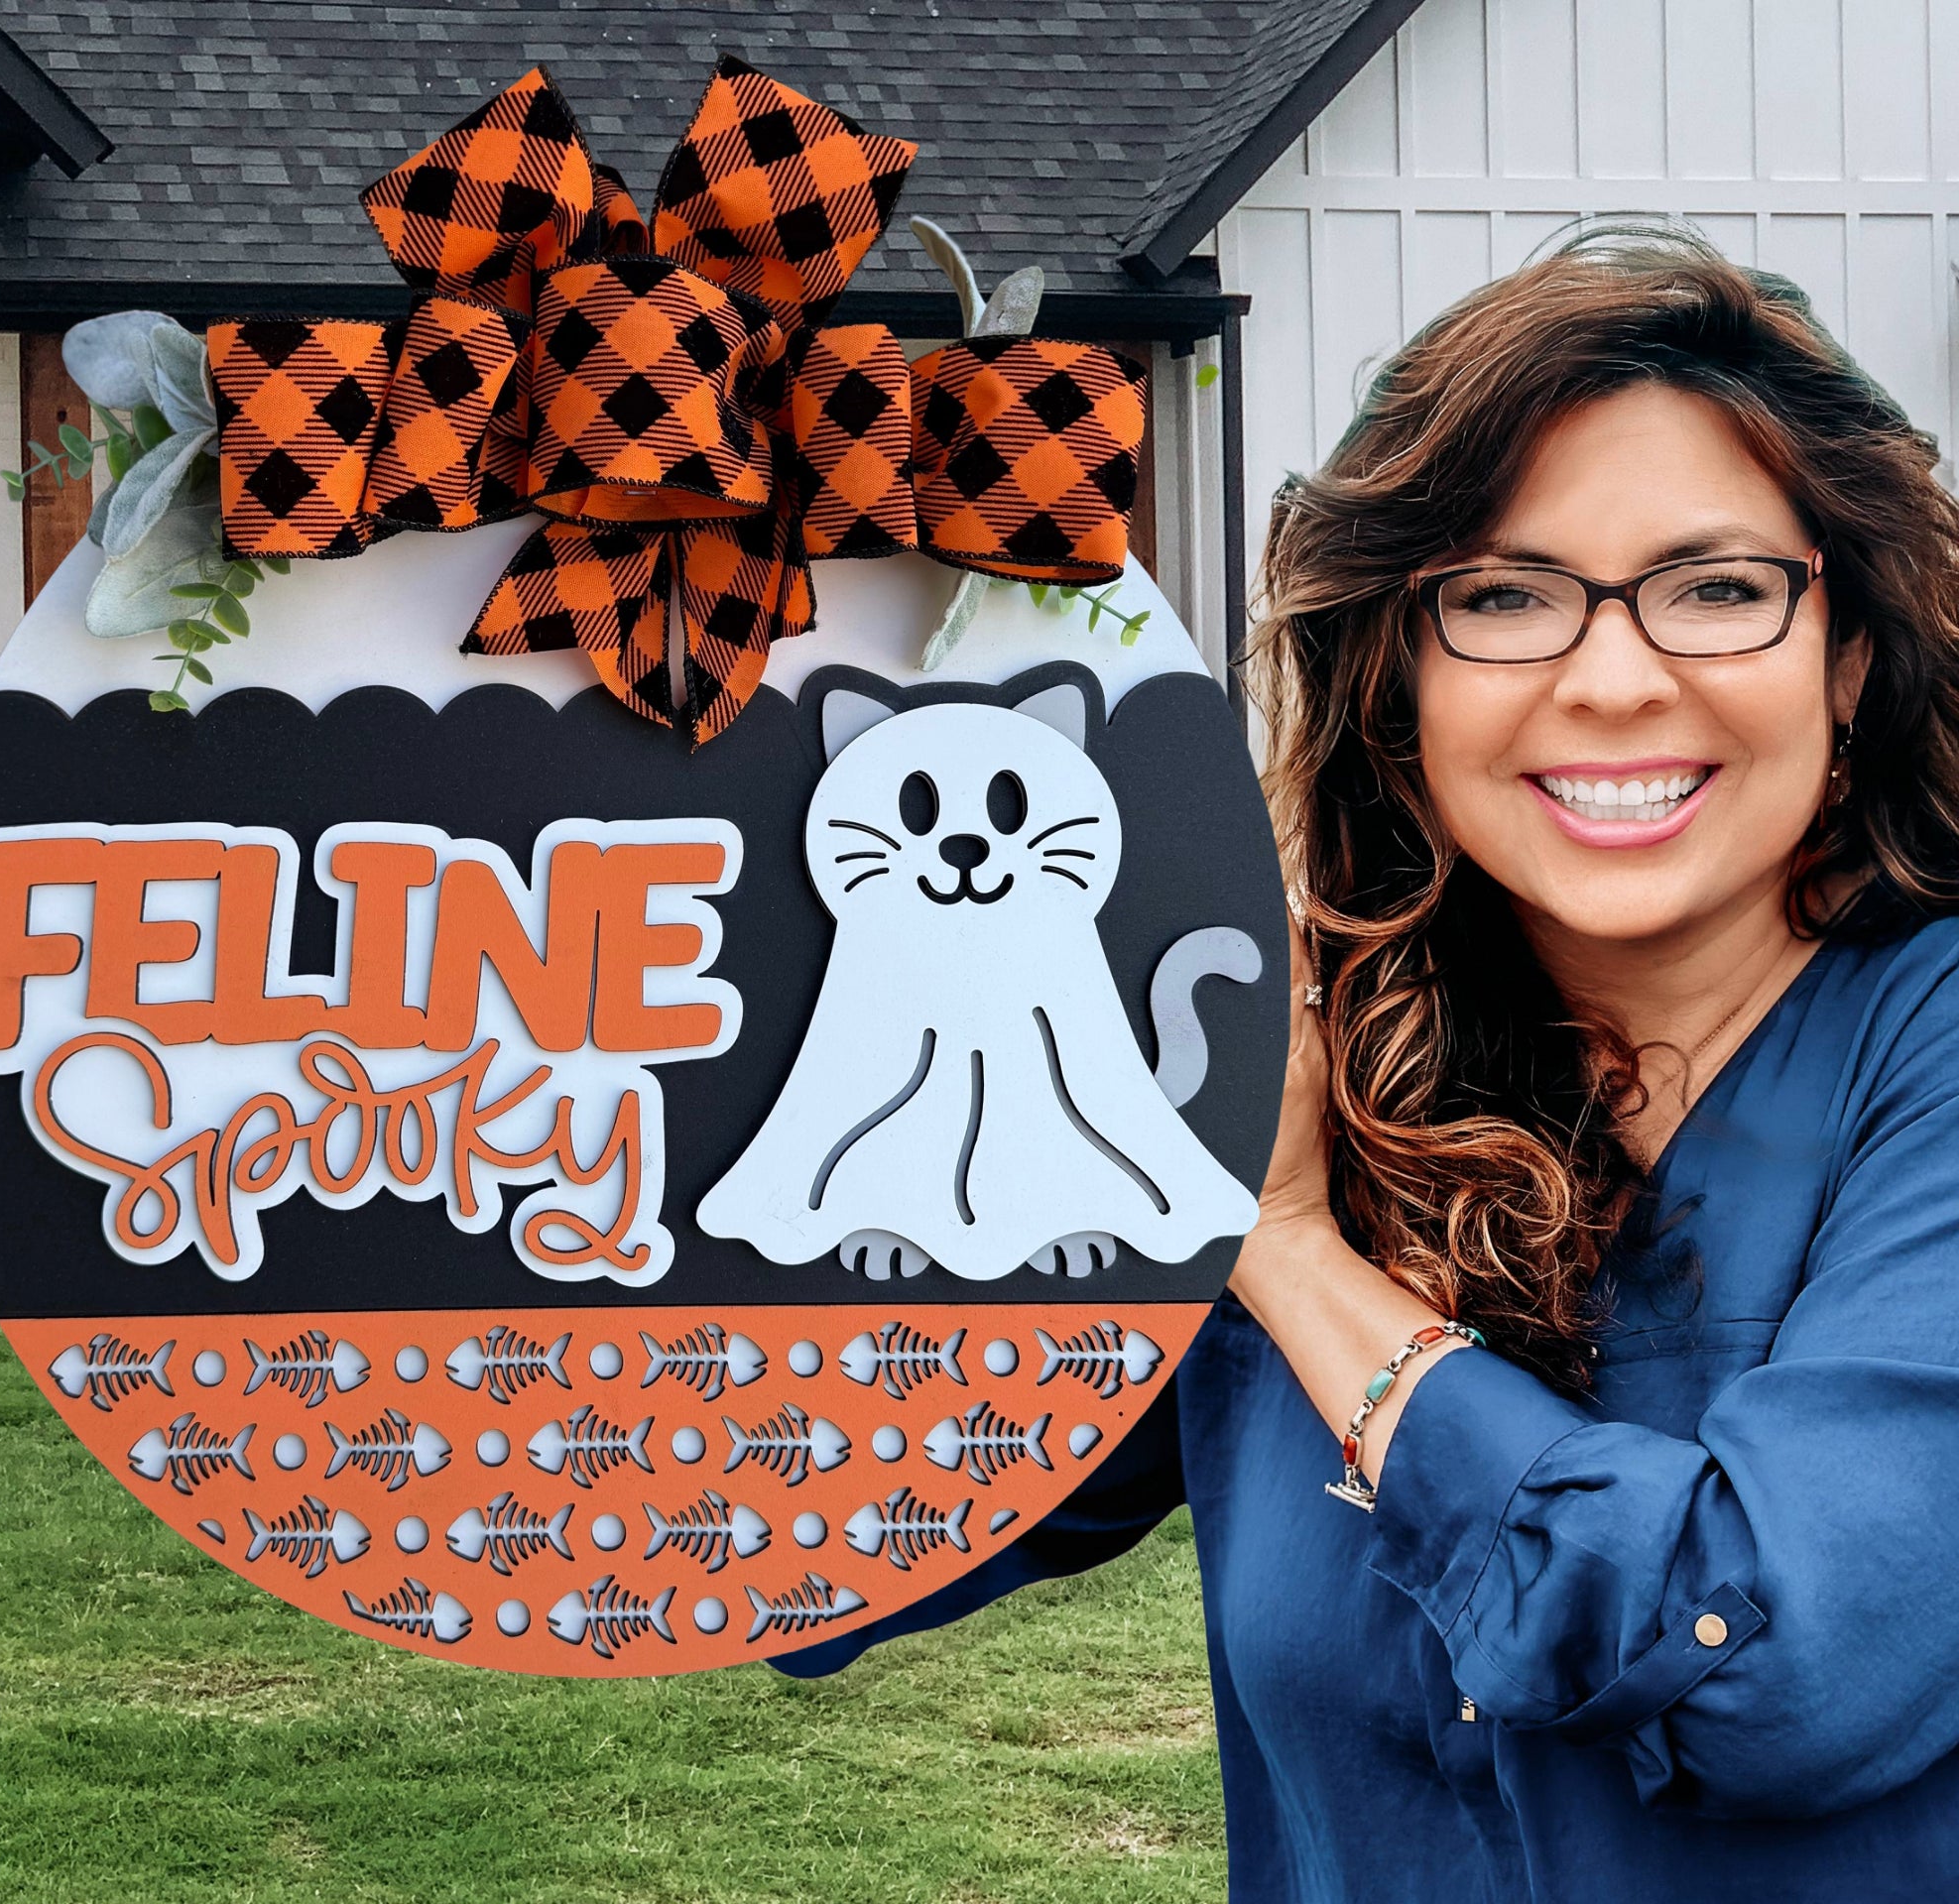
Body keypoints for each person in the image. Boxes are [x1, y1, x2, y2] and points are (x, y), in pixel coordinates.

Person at [781, 227, 1959, 1900]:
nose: (1614, 679)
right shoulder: (1302, 1058)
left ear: (1847, 662)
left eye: (1716, 588)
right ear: (1397, 681)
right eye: (1500, 597)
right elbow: (840, 1530)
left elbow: (1775, 1671)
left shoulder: (1925, 1056)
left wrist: (1283, 1248)